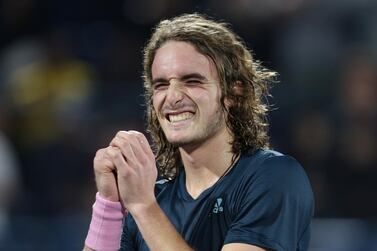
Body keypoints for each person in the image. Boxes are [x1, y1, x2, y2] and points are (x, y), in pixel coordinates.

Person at [84, 13, 314, 251]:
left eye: (192, 81)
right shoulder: (152, 198)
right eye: (161, 85)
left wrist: (143, 206)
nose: (172, 97)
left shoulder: (273, 177)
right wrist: (108, 205)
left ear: (234, 93)